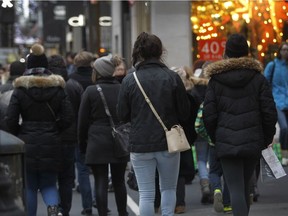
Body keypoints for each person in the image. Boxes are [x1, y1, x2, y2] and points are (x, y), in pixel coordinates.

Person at [203, 33, 277, 216]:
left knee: (235, 189)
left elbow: (209, 115)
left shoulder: (215, 80)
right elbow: (269, 112)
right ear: (246, 53)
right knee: (245, 188)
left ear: (226, 53)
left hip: (226, 140)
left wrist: (216, 137)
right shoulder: (258, 78)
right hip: (253, 140)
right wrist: (266, 138)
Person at [117, 32, 191, 216]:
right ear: (160, 51)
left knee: (146, 194)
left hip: (140, 143)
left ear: (139, 52)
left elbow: (122, 115)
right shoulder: (172, 77)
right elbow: (184, 112)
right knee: (168, 189)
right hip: (169, 142)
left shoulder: (129, 80)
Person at [5, 43, 73, 216]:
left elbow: (11, 119)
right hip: (52, 140)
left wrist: (20, 132)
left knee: (29, 186)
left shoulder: (20, 90)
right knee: (49, 183)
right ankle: (53, 209)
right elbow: (67, 117)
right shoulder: (58, 88)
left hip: (27, 141)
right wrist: (54, 128)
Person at [78, 55, 129, 216]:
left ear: (98, 72)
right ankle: (123, 212)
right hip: (119, 139)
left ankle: (102, 213)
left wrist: (82, 144)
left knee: (100, 180)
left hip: (97, 140)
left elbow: (82, 121)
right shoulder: (122, 89)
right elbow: (128, 115)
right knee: (119, 181)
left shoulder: (91, 91)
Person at [66, 51, 94, 216]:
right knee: (100, 170)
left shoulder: (71, 82)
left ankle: (87, 205)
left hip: (78, 129)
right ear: (91, 63)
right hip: (97, 129)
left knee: (82, 169)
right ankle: (101, 201)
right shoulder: (96, 78)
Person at [48, 54, 75, 216]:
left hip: (50, 137)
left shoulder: (46, 87)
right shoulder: (73, 86)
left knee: (50, 177)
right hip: (69, 138)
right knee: (67, 178)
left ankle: (53, 208)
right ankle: (65, 210)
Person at [190, 60, 211, 205]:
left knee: (202, 159)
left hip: (199, 129)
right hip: (215, 129)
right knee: (215, 160)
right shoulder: (216, 87)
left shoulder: (194, 89)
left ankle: (205, 186)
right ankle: (217, 187)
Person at [264, 42, 288, 166]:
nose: (286, 52)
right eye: (284, 49)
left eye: (287, 50)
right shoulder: (272, 65)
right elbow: (265, 83)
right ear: (279, 51)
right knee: (284, 128)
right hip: (277, 102)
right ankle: (284, 155)